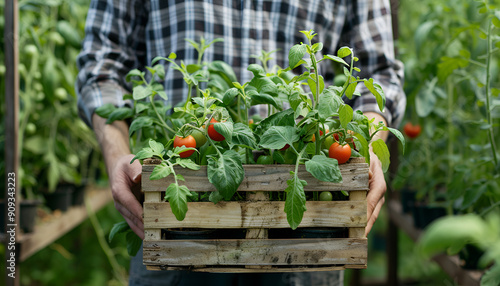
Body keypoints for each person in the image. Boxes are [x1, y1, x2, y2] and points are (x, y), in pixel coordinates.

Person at [76, 0, 406, 285]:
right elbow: (103, 64)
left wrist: (365, 143)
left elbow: (378, 73)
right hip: (175, 233)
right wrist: (117, 152)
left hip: (310, 235)